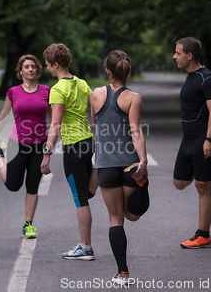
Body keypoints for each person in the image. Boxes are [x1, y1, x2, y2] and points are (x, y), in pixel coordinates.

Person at [90, 50, 149, 286]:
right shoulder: (134, 97)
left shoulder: (95, 95)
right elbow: (135, 130)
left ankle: (122, 273)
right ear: (128, 71)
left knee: (116, 218)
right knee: (132, 215)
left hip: (105, 165)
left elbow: (96, 125)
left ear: (107, 71)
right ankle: (143, 183)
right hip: (129, 164)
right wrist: (143, 160)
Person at [40, 43, 96, 260]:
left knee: (80, 198)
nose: (47, 69)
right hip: (87, 141)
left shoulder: (57, 90)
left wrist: (46, 152)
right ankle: (100, 169)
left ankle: (85, 247)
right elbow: (94, 111)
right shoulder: (82, 83)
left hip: (74, 146)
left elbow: (55, 125)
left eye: (47, 65)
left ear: (55, 64)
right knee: (86, 192)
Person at [0, 54, 51, 239]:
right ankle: (0, 157)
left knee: (32, 186)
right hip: (17, 143)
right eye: (26, 67)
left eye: (33, 66)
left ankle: (28, 224)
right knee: (12, 185)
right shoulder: (13, 92)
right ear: (21, 71)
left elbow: (55, 117)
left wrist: (60, 137)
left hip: (39, 144)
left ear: (38, 70)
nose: (30, 69)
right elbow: (5, 113)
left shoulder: (46, 91)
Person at [172, 36, 211, 249]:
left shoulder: (207, 78)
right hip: (188, 140)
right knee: (179, 183)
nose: (174, 56)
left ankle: (203, 235)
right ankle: (204, 161)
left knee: (202, 186)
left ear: (189, 55)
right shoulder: (191, 76)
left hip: (203, 140)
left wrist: (210, 139)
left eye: (178, 53)